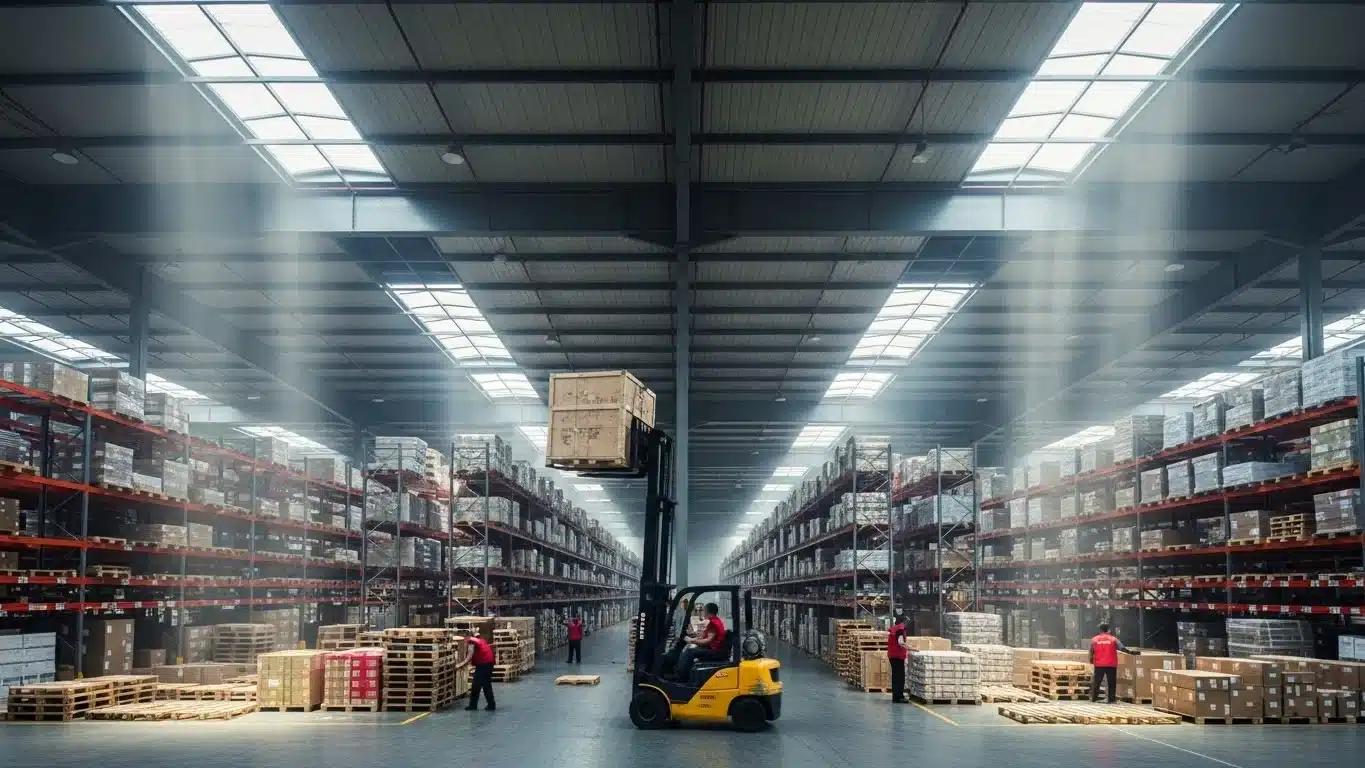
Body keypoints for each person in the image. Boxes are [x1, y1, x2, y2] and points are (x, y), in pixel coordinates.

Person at [675, 602, 727, 682]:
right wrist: (693, 636)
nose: (702, 612)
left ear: (707, 611)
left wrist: (691, 640)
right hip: (714, 648)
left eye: (703, 610)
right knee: (691, 649)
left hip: (714, 651)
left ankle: (681, 677)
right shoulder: (714, 621)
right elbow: (706, 637)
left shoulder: (713, 623)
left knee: (689, 652)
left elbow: (707, 641)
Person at [1089, 622, 1137, 704]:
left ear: (1100, 630)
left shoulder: (1094, 639)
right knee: (1111, 682)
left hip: (1099, 664)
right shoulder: (1113, 639)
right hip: (1111, 664)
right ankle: (1112, 699)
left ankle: (1094, 698)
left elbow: (1091, 651)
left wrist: (1091, 660)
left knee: (1097, 681)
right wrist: (1132, 653)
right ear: (1108, 630)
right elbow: (1122, 648)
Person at [465, 633, 497, 711]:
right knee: (484, 684)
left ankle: (475, 705)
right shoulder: (481, 640)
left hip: (484, 664)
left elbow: (469, 656)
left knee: (478, 684)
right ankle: (490, 704)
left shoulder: (471, 641)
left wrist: (460, 665)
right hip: (488, 663)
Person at [887, 612, 910, 703]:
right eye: (906, 622)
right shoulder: (899, 630)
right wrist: (911, 648)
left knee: (896, 676)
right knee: (899, 677)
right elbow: (901, 643)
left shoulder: (896, 629)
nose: (907, 624)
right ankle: (898, 697)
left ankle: (896, 696)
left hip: (893, 655)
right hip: (897, 656)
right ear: (902, 622)